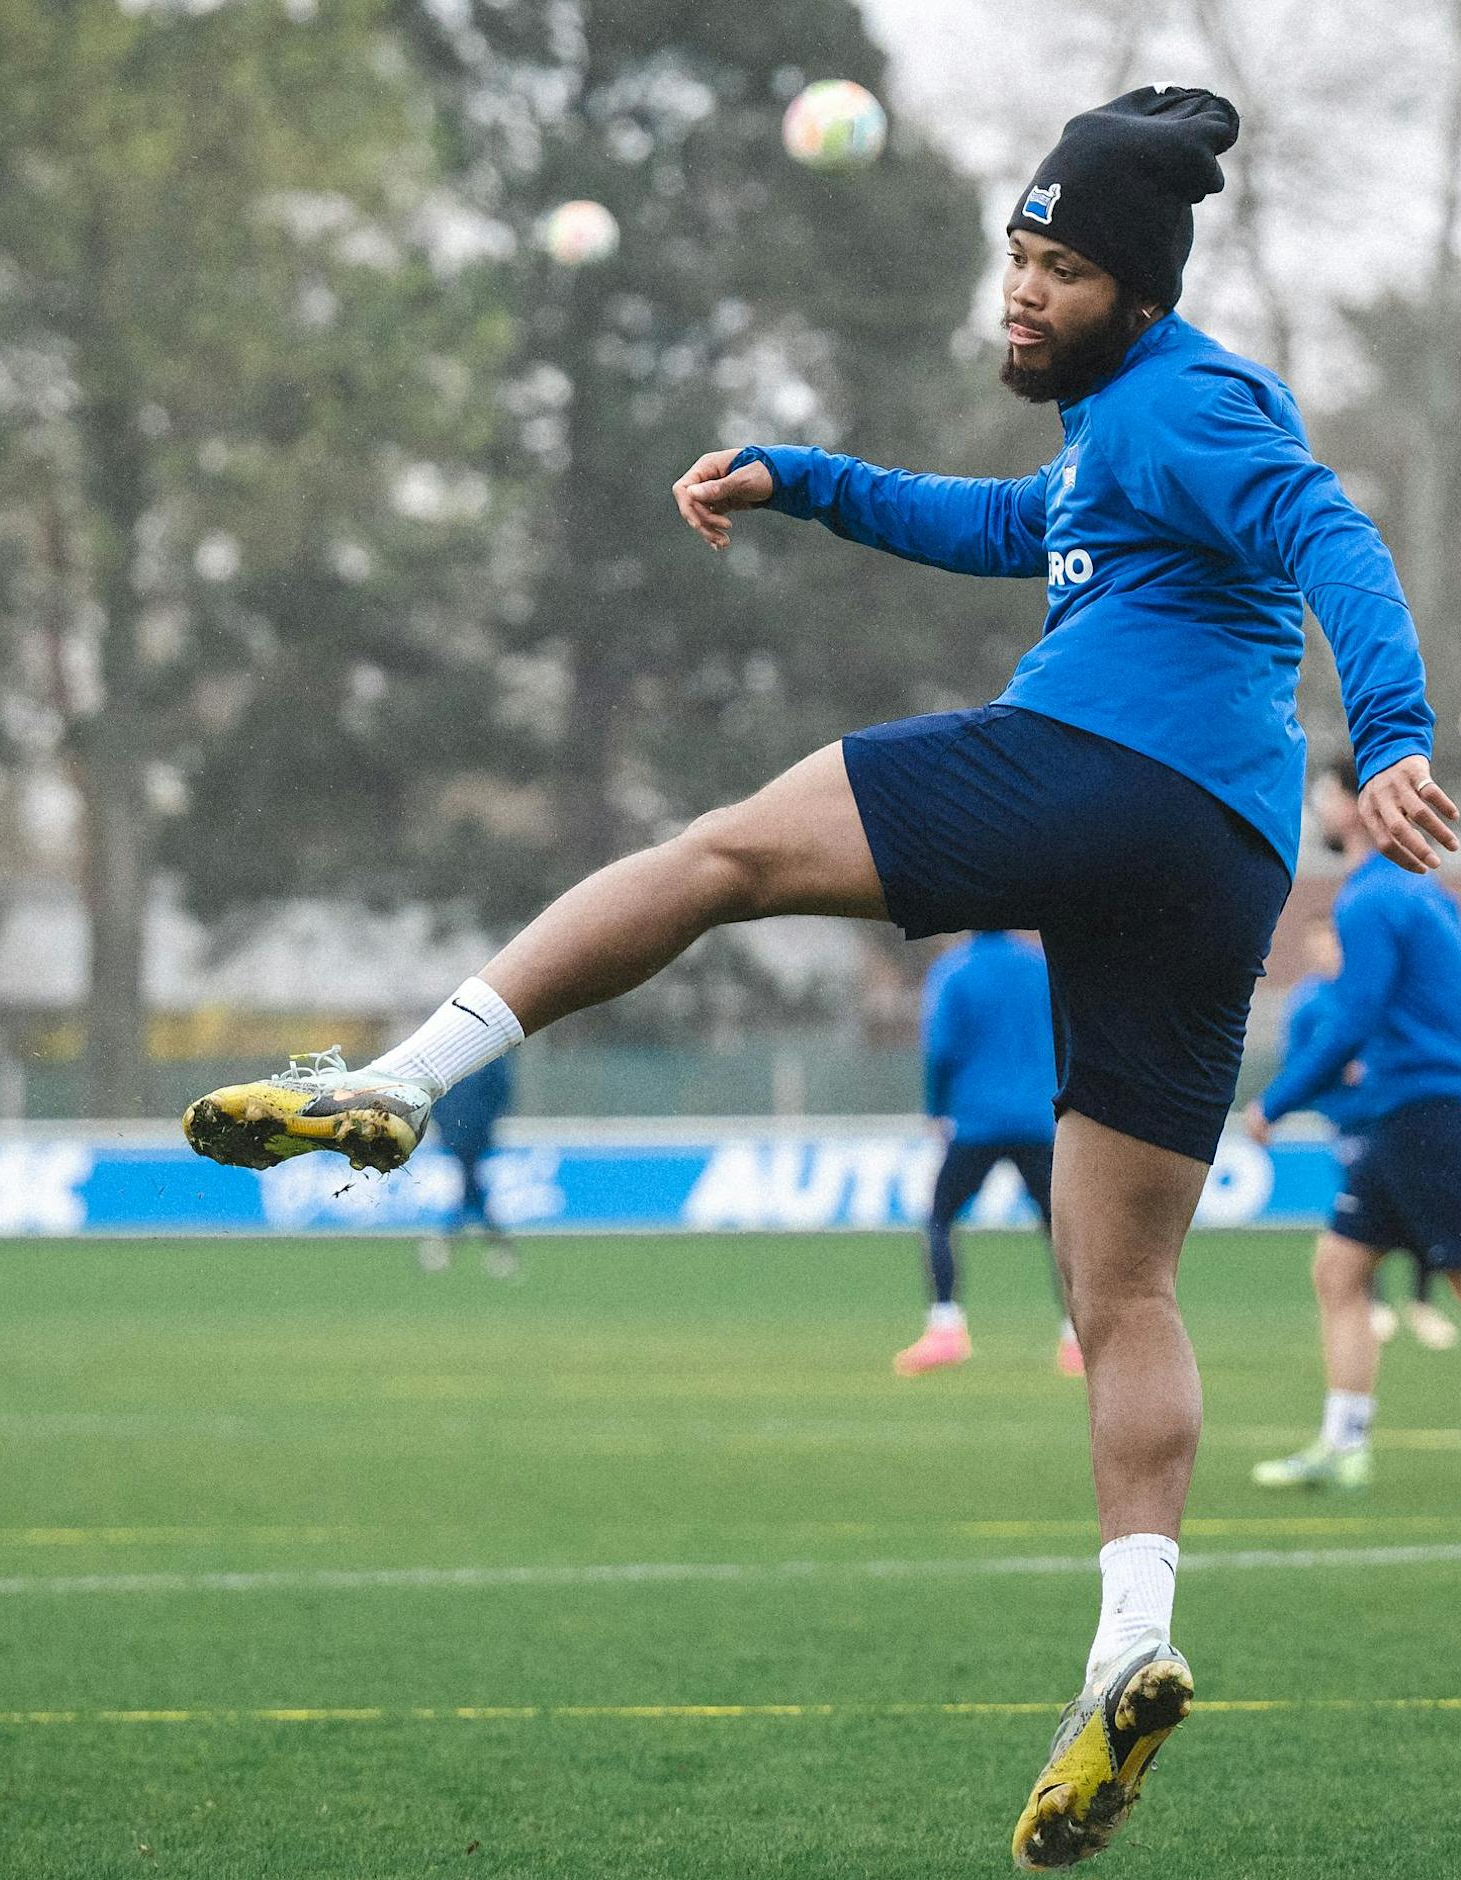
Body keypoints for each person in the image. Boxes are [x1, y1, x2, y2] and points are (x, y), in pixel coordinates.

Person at [184, 89, 1454, 1868]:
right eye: (1016, 257)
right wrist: (812, 484)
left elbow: (1333, 529)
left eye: (1063, 267)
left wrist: (1394, 729)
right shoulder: (1120, 434)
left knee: (717, 859)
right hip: (1219, 861)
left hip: (1110, 764)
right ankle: (1131, 1648)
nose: (1023, 294)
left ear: (1139, 290)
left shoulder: (1188, 398)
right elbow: (1011, 532)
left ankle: (404, 1079)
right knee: (1123, 1294)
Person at [1246, 758, 1461, 1490]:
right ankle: (1345, 1446)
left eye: (1324, 792)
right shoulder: (1421, 890)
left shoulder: (1371, 899)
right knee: (1339, 1271)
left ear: (1362, 804)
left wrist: (1273, 1101)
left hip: (1428, 1109)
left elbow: (1352, 1020)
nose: (1316, 804)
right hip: (1404, 1111)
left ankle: (1345, 1444)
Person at [898, 931, 1077, 1379]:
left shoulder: (955, 970)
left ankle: (945, 1329)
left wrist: (937, 1109)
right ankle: (1077, 1338)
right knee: (1064, 1229)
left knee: (940, 1217)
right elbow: (1071, 1033)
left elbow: (939, 1050)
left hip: (976, 1121)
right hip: (1040, 1117)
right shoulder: (1041, 966)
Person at [1282, 919, 1456, 1350]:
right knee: (1353, 1241)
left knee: (1419, 1214)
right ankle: (1377, 1304)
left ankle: (1419, 1304)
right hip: (1352, 1124)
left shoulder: (1371, 986)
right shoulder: (1307, 1003)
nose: (1326, 954)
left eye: (1332, 945)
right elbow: (1302, 1063)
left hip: (1404, 1117)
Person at [415, 1057, 518, 1278]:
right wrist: (446, 1123)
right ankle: (497, 1245)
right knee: (471, 1190)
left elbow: (501, 1092)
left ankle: (449, 1242)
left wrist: (484, 1118)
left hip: (477, 1132)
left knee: (470, 1188)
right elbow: (436, 1094)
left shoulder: (492, 1058)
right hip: (456, 1132)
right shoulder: (452, 1058)